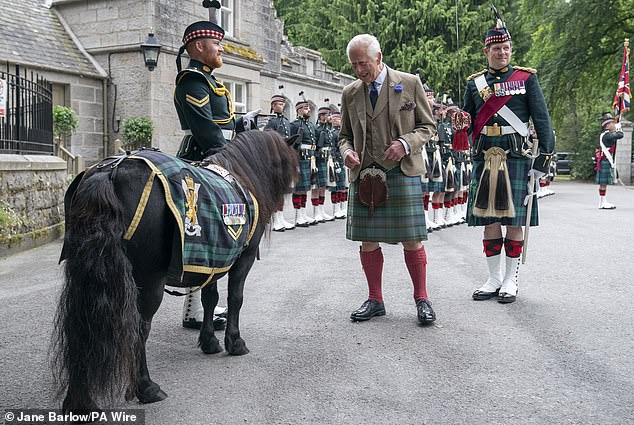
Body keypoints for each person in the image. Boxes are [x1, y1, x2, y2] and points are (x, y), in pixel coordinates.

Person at [339, 34, 437, 324]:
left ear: (378, 58)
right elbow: (344, 136)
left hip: (401, 170)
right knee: (367, 240)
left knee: (412, 239)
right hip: (364, 175)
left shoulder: (409, 83)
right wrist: (346, 152)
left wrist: (405, 143)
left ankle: (422, 299)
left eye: (364, 64)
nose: (359, 71)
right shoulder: (350, 92)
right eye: (354, 65)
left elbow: (427, 126)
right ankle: (375, 300)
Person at [462, 12, 554, 304]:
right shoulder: (474, 84)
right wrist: (459, 124)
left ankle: (510, 281)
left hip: (516, 157)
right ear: (486, 51)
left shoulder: (526, 79)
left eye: (506, 48)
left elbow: (542, 120)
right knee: (489, 220)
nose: (502, 53)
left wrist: (541, 163)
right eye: (496, 49)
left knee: (514, 221)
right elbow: (469, 121)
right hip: (485, 156)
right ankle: (492, 279)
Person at [173, 20, 259, 329]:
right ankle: (194, 310)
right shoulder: (192, 80)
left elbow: (224, 122)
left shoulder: (209, 80)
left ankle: (199, 305)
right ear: (199, 47)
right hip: (204, 159)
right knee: (205, 231)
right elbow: (208, 132)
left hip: (221, 156)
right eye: (216, 42)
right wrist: (235, 159)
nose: (221, 47)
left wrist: (243, 124)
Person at [264, 94, 296, 231]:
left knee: (283, 188)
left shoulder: (287, 122)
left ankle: (281, 217)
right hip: (275, 158)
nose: (281, 106)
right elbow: (267, 140)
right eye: (278, 104)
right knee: (276, 189)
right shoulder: (271, 122)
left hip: (284, 157)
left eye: (283, 104)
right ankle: (275, 218)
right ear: (273, 106)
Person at [290, 99, 318, 227]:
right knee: (299, 188)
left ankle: (303, 213)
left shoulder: (310, 125)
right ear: (299, 110)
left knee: (306, 187)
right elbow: (292, 144)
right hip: (300, 158)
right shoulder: (295, 125)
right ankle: (297, 215)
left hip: (310, 158)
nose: (309, 110)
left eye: (309, 108)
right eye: (306, 109)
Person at [595, 112, 623, 209]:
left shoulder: (607, 135)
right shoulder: (607, 135)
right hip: (605, 160)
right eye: (612, 123)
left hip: (605, 160)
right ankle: (602, 202)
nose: (614, 124)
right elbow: (620, 135)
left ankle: (602, 202)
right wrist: (619, 127)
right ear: (607, 126)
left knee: (604, 184)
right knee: (604, 183)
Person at [312, 105, 335, 222]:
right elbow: (315, 146)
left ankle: (321, 211)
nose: (331, 117)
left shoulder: (328, 130)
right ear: (321, 117)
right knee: (316, 186)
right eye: (328, 115)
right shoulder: (317, 129)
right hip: (319, 160)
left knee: (323, 186)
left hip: (327, 160)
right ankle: (316, 212)